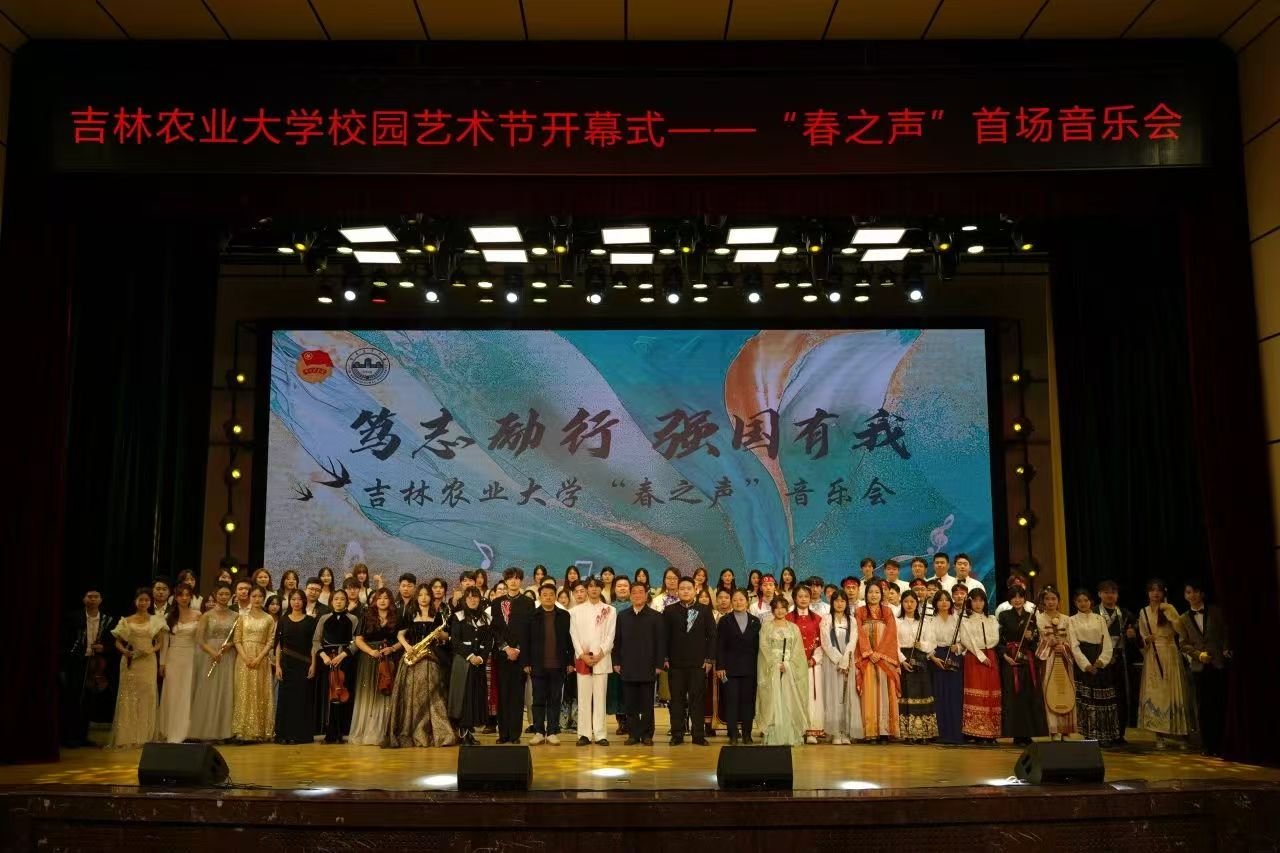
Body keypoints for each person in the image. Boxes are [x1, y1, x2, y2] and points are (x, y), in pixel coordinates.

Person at [385, 583, 455, 748]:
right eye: (421, 595)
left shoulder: (438, 616)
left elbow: (447, 636)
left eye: (427, 595)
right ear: (417, 597)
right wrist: (407, 647)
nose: (424, 598)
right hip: (413, 658)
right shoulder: (410, 614)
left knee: (433, 696)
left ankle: (437, 733)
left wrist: (442, 635)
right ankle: (413, 732)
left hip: (432, 658)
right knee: (413, 697)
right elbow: (400, 635)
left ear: (431, 597)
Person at [1138, 579, 1195, 747]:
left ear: (1163, 593)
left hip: (1169, 652)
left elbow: (1181, 631)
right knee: (1156, 694)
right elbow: (1142, 634)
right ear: (1148, 593)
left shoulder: (1169, 608)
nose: (1155, 593)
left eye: (1159, 590)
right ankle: (1159, 735)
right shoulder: (1143, 611)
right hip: (1152, 655)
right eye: (1152, 590)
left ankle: (1180, 733)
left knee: (1173, 692)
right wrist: (1146, 639)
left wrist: (1170, 614)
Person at [1178, 580, 1230, 756]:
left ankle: (1223, 743)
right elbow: (1183, 644)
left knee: (1220, 703)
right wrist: (1198, 655)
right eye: (1188, 592)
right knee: (1204, 706)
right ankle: (1208, 745)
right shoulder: (1183, 618)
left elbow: (1226, 631)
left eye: (1194, 591)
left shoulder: (1215, 611)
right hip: (1200, 667)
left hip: (1218, 663)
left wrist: (1226, 648)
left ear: (1201, 593)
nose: (1192, 595)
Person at [662, 576, 716, 746]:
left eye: (689, 588)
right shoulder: (669, 611)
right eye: (682, 588)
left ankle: (698, 735)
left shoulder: (704, 610)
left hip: (698, 664)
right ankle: (677, 734)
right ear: (677, 591)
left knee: (697, 701)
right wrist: (665, 658)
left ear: (695, 590)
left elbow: (712, 636)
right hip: (676, 664)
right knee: (676, 701)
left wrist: (709, 659)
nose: (685, 591)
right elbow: (664, 637)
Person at [108, 588, 165, 748]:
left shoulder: (155, 620)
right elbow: (117, 641)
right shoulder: (127, 620)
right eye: (141, 600)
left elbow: (160, 642)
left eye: (146, 600)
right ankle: (127, 736)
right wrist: (124, 651)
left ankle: (144, 735)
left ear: (150, 602)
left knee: (147, 695)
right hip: (131, 661)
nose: (143, 603)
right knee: (128, 696)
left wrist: (151, 650)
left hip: (148, 661)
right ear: (135, 601)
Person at [60, 588, 114, 748]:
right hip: (77, 662)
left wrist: (103, 648)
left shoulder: (107, 620)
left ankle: (83, 736)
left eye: (96, 596)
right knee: (73, 700)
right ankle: (69, 737)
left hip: (95, 664)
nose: (93, 599)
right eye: (89, 596)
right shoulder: (73, 618)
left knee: (88, 702)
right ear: (84, 599)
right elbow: (65, 640)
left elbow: (113, 643)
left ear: (101, 600)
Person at [613, 581, 665, 745]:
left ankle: (647, 734)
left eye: (640, 592)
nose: (637, 595)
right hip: (627, 666)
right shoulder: (623, 616)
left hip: (648, 666)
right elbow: (617, 641)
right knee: (630, 703)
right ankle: (633, 734)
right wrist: (616, 662)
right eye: (634, 592)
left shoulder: (656, 617)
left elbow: (660, 643)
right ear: (630, 595)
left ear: (646, 595)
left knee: (647, 703)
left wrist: (659, 664)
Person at [1069, 588, 1121, 745]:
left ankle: (1105, 735)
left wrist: (1101, 661)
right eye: (1079, 601)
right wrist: (1086, 665)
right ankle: (1089, 734)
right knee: (1087, 700)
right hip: (1084, 661)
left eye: (1085, 600)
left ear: (1091, 602)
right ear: (1075, 603)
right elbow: (1073, 645)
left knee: (1103, 699)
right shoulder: (1072, 620)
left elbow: (1107, 642)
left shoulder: (1099, 619)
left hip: (1099, 660)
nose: (1083, 604)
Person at [569, 576, 616, 746]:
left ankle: (601, 734)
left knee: (600, 699)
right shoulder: (575, 611)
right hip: (583, 660)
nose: (594, 589)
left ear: (601, 588)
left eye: (597, 586)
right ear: (586, 589)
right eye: (590, 586)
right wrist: (582, 655)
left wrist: (600, 654)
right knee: (583, 699)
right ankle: (584, 734)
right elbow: (573, 635)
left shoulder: (610, 610)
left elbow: (611, 635)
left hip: (601, 660)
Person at [998, 585, 1047, 744]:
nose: (1017, 600)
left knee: (1028, 695)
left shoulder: (1031, 617)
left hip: (1027, 660)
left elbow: (1037, 640)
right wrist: (1005, 655)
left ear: (1024, 598)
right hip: (1010, 658)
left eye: (1020, 596)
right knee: (1013, 695)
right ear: (1009, 599)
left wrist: (1030, 637)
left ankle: (1028, 732)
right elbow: (998, 639)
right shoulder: (1004, 616)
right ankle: (1015, 733)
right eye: (1014, 597)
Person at [350, 588, 399, 745]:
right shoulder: (366, 617)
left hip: (388, 659)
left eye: (386, 597)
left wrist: (392, 648)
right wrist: (371, 651)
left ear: (390, 600)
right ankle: (367, 732)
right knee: (369, 693)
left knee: (385, 693)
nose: (382, 601)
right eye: (379, 598)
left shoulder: (396, 617)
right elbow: (358, 640)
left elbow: (403, 639)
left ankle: (383, 732)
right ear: (374, 600)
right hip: (369, 660)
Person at [756, 596, 807, 745]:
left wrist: (789, 664)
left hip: (789, 668)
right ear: (772, 610)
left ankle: (790, 735)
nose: (780, 611)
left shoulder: (793, 628)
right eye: (776, 608)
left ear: (787, 609)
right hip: (772, 668)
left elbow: (798, 650)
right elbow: (764, 647)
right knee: (773, 701)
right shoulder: (766, 627)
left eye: (783, 607)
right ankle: (773, 736)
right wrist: (774, 663)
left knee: (788, 700)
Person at [491, 567, 534, 744]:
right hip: (502, 655)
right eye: (510, 578)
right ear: (505, 581)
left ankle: (515, 735)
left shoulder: (528, 602)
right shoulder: (496, 603)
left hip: (520, 656)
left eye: (517, 578)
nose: (513, 581)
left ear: (521, 581)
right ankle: (503, 734)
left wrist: (517, 649)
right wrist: (506, 648)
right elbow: (494, 629)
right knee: (502, 695)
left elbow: (529, 630)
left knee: (517, 696)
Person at [189, 583, 237, 742]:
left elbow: (237, 638)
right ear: (215, 595)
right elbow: (199, 639)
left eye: (227, 594)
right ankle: (207, 730)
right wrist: (212, 652)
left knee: (226, 690)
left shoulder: (236, 616)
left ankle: (224, 732)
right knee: (209, 691)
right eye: (221, 594)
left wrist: (231, 645)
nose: (224, 597)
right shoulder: (207, 615)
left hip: (227, 655)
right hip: (209, 655)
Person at [527, 581, 573, 745]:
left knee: (555, 700)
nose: (548, 597)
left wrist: (570, 661)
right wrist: (526, 662)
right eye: (544, 595)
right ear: (540, 597)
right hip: (537, 665)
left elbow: (569, 640)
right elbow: (526, 641)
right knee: (538, 700)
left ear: (556, 597)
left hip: (558, 665)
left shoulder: (564, 615)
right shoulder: (532, 615)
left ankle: (552, 731)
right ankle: (539, 731)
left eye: (551, 595)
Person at [449, 587, 495, 744]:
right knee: (463, 697)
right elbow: (455, 641)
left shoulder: (486, 618)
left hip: (479, 664)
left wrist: (481, 658)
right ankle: (463, 734)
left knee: (475, 697)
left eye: (475, 597)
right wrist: (470, 656)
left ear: (480, 599)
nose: (472, 600)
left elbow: (489, 641)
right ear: (464, 599)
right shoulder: (458, 616)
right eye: (468, 597)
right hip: (463, 663)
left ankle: (469, 732)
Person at [314, 588, 359, 743]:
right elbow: (316, 640)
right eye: (336, 599)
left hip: (345, 660)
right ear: (331, 601)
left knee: (344, 694)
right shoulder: (324, 618)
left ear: (346, 601)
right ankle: (330, 733)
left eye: (342, 599)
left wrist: (342, 655)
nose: (339, 602)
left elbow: (356, 642)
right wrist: (324, 656)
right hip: (327, 660)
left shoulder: (353, 619)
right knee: (329, 695)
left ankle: (342, 732)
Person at [231, 586, 276, 742]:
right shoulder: (242, 617)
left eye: (260, 596)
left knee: (259, 692)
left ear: (264, 598)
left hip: (261, 658)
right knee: (243, 692)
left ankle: (258, 731)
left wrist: (259, 658)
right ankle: (241, 731)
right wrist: (245, 657)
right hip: (243, 658)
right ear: (249, 598)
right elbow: (237, 640)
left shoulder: (269, 618)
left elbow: (270, 641)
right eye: (254, 596)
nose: (257, 599)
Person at [856, 581, 900, 740]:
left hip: (884, 658)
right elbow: (859, 633)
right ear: (865, 594)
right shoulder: (859, 611)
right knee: (869, 693)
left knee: (885, 692)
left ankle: (885, 731)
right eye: (870, 592)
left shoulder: (887, 611)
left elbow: (891, 634)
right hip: (867, 658)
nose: (873, 595)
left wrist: (879, 653)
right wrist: (869, 653)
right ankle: (870, 732)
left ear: (881, 595)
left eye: (877, 592)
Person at [716, 588, 761, 745]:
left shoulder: (755, 621)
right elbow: (720, 645)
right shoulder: (725, 621)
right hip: (729, 669)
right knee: (731, 701)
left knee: (748, 702)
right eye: (735, 600)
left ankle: (747, 734)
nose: (738, 602)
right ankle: (733, 734)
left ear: (747, 601)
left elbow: (758, 647)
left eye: (741, 599)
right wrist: (720, 666)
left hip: (750, 669)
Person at [157, 583, 200, 743]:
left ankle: (188, 730)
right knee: (173, 692)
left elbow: (200, 639)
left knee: (188, 691)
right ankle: (171, 729)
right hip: (173, 657)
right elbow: (164, 642)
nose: (184, 598)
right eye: (181, 595)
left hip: (191, 656)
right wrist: (162, 663)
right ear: (175, 597)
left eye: (187, 595)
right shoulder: (169, 617)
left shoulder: (198, 615)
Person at [273, 590, 317, 744]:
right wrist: (278, 665)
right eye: (293, 599)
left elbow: (314, 645)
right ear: (289, 601)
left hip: (304, 665)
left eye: (299, 599)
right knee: (285, 700)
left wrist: (313, 664)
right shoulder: (283, 620)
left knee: (302, 700)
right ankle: (283, 735)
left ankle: (300, 735)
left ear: (304, 601)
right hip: (286, 665)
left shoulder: (311, 621)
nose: (296, 602)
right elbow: (278, 645)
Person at [896, 588, 938, 743]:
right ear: (902, 603)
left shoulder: (924, 622)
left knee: (922, 694)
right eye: (906, 601)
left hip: (920, 659)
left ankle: (923, 733)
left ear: (917, 603)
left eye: (912, 601)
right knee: (906, 695)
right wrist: (902, 660)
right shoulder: (896, 622)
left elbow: (932, 643)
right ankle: (907, 733)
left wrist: (922, 645)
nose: (909, 604)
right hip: (903, 659)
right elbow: (893, 643)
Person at [959, 588, 1001, 743]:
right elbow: (966, 640)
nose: (978, 604)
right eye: (975, 600)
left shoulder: (992, 619)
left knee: (991, 692)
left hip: (990, 655)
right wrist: (981, 655)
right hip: (974, 657)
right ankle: (976, 732)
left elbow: (994, 638)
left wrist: (986, 651)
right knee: (976, 693)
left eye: (981, 600)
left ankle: (992, 732)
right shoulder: (966, 620)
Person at [1035, 586, 1077, 739]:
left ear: (1059, 601)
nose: (1050, 602)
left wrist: (1063, 646)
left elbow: (1072, 640)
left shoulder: (1067, 619)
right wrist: (1050, 644)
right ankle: (1053, 730)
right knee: (1049, 690)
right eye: (1047, 599)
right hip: (1048, 658)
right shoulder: (1038, 618)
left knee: (1066, 690)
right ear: (1043, 601)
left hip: (1064, 657)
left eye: (1053, 599)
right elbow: (1038, 640)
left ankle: (1066, 730)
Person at [820, 589, 861, 744]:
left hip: (848, 660)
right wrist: (838, 660)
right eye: (836, 600)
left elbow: (853, 641)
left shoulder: (852, 620)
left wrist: (846, 661)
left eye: (843, 601)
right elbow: (826, 642)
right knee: (833, 695)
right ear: (832, 603)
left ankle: (846, 731)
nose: (839, 603)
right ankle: (835, 732)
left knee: (847, 695)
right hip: (832, 661)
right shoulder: (826, 619)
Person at [1098, 579, 1138, 737]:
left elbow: (1137, 638)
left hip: (1121, 659)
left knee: (1121, 696)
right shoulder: (1093, 613)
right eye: (1106, 592)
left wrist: (1132, 635)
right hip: (1100, 658)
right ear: (1099, 594)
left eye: (1113, 592)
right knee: (1102, 695)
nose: (1110, 595)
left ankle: (1119, 733)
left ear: (1117, 595)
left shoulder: (1126, 614)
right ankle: (1102, 732)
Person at [785, 585, 825, 744]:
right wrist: (793, 660)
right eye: (800, 596)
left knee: (811, 698)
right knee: (793, 697)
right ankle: (795, 731)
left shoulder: (818, 619)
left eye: (806, 596)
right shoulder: (787, 618)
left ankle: (811, 731)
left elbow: (822, 643)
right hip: (793, 666)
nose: (803, 599)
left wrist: (813, 659)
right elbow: (784, 643)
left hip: (811, 666)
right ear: (794, 598)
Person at [927, 589, 964, 744]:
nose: (944, 602)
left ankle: (955, 733)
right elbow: (928, 641)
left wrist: (958, 647)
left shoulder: (957, 619)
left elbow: (964, 640)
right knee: (939, 694)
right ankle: (941, 733)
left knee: (955, 695)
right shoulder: (931, 620)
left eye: (946, 599)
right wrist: (932, 657)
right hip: (937, 657)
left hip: (954, 657)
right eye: (940, 600)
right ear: (935, 603)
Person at [606, 577, 632, 737]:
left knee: (631, 688)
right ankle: (621, 721)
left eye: (625, 586)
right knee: (616, 689)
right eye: (619, 586)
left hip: (633, 654)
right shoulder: (608, 609)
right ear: (614, 589)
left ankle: (632, 720)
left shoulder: (636, 606)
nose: (622, 588)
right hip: (614, 653)